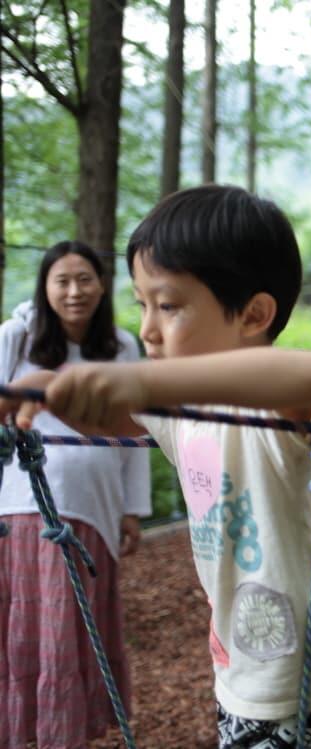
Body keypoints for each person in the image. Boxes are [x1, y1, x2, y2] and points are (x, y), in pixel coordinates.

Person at [0, 186, 311, 748]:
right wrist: (45, 388)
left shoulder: (272, 406)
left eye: (168, 305)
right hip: (243, 670)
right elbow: (115, 418)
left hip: (306, 686)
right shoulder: (182, 414)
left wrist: (143, 378)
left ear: (254, 314)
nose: (148, 328)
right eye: (143, 304)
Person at [0, 241, 151, 748]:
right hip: (26, 512)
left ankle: (64, 736)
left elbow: (137, 438)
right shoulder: (17, 342)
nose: (74, 290)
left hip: (97, 512)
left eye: (84, 278)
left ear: (102, 285)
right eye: (61, 280)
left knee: (73, 636)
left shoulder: (124, 347)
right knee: (32, 635)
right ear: (44, 288)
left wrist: (133, 509)